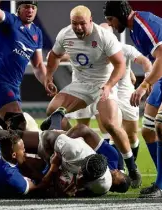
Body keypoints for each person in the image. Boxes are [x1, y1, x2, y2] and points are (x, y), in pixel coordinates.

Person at [42, 5, 141, 188]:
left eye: (82, 24)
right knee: (52, 111)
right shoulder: (65, 34)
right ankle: (72, 149)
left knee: (110, 124)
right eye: (74, 24)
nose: (78, 28)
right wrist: (48, 76)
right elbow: (54, 56)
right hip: (80, 84)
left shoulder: (104, 37)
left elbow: (119, 65)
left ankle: (132, 168)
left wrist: (109, 85)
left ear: (90, 21)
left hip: (104, 83)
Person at [0, 112, 131, 196]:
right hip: (55, 150)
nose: (25, 150)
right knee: (40, 140)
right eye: (21, 149)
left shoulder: (101, 185)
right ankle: (56, 117)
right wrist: (53, 163)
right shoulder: (77, 151)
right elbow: (41, 186)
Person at [104, 1, 162, 198]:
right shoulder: (135, 28)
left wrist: (144, 85)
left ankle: (160, 187)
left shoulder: (143, 25)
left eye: (111, 19)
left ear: (120, 15)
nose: (111, 25)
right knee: (148, 130)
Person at [65, 23, 153, 166]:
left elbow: (145, 61)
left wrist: (147, 78)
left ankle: (132, 165)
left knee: (131, 135)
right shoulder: (94, 49)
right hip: (109, 94)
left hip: (127, 95)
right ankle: (119, 169)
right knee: (112, 132)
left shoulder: (124, 49)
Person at [0, 1, 47, 125]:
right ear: (18, 9)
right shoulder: (10, 21)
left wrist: (47, 81)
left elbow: (38, 65)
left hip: (14, 86)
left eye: (33, 7)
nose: (30, 10)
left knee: (2, 135)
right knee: (19, 124)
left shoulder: (37, 33)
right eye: (26, 7)